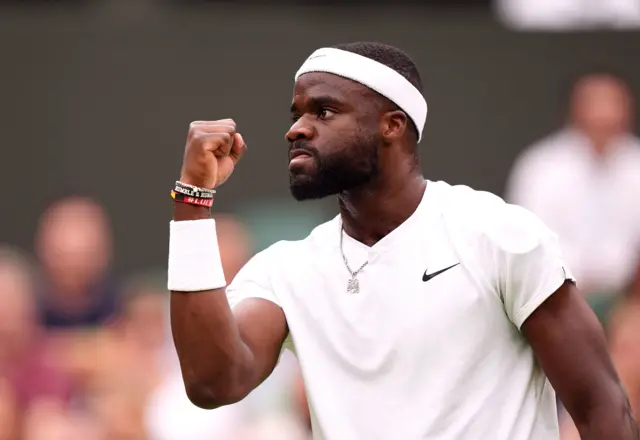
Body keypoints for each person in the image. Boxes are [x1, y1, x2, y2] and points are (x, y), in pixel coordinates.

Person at [166, 42, 638, 439]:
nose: (296, 129)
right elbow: (212, 383)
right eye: (296, 114)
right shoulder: (286, 270)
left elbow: (602, 407)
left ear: (392, 125)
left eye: (323, 111)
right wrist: (192, 198)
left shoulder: (497, 234)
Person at [506, 71, 640, 322]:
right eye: (594, 103)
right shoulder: (541, 166)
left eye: (612, 103)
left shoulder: (636, 164)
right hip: (556, 298)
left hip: (629, 303)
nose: (604, 114)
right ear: (575, 109)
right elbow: (525, 242)